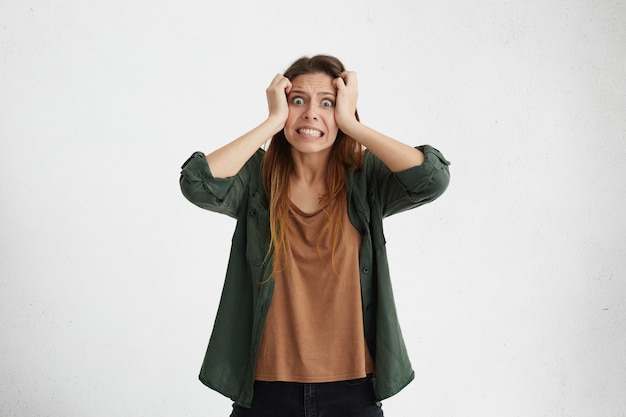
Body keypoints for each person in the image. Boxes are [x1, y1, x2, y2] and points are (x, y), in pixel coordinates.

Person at [179, 55, 450, 417]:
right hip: (264, 393)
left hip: (354, 392)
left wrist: (355, 127)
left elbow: (433, 179)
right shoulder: (256, 179)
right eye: (297, 101)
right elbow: (196, 183)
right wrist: (272, 122)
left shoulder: (365, 178)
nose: (311, 113)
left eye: (327, 102)